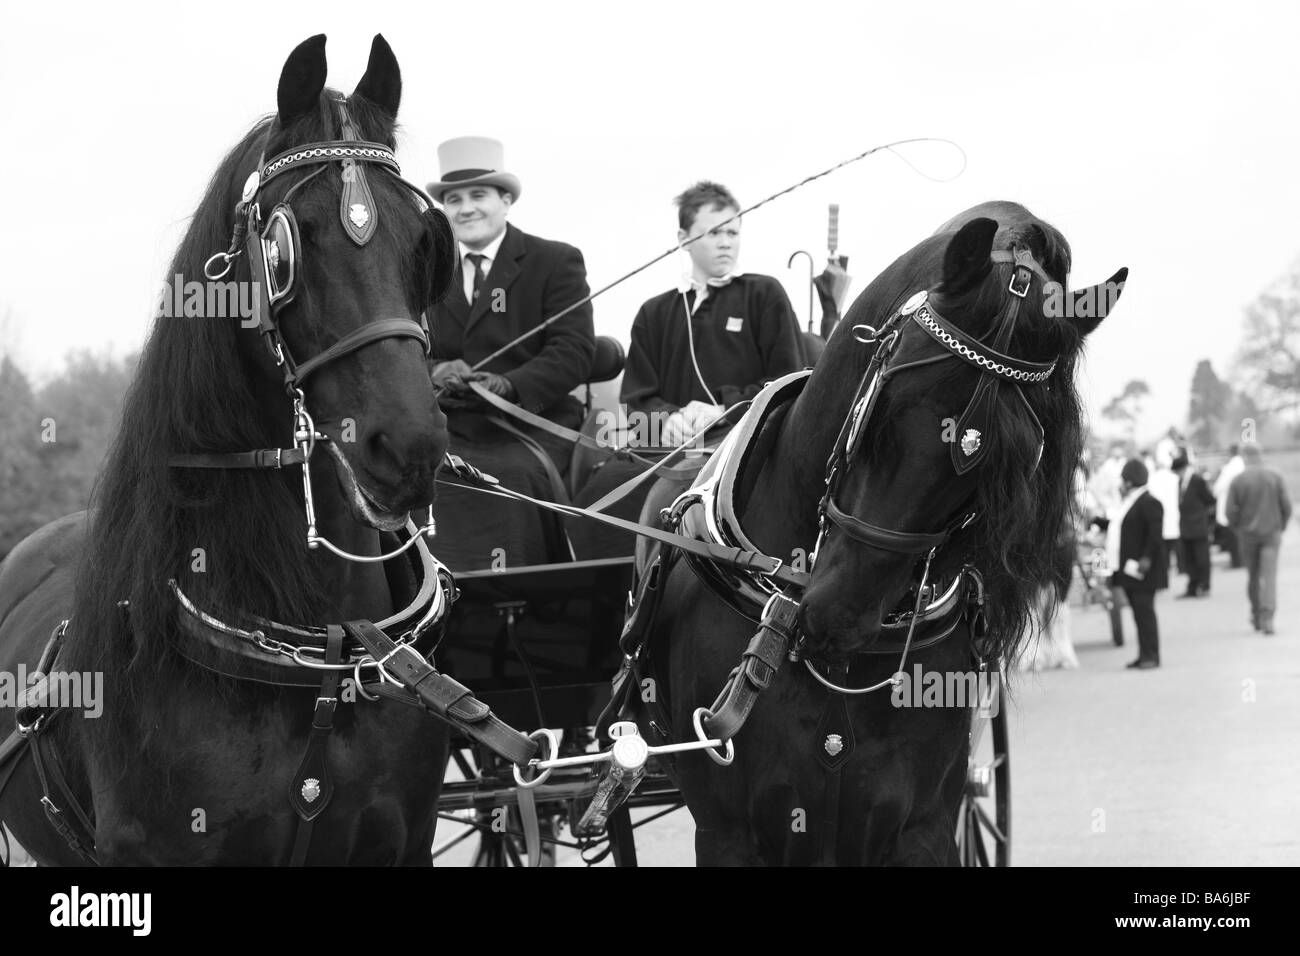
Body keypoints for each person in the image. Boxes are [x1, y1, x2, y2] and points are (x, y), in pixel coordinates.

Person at [424, 136, 596, 570]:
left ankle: (523, 594)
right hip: (452, 426)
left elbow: (573, 349)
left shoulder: (555, 261)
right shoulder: (424, 273)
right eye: (454, 199)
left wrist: (510, 385)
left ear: (505, 200)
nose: (466, 209)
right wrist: (434, 370)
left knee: (511, 478)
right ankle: (431, 599)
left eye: (478, 195)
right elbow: (406, 345)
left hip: (532, 425)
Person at [620, 181, 805, 447]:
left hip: (739, 446)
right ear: (684, 240)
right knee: (606, 484)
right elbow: (634, 402)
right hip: (665, 450)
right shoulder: (653, 313)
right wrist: (665, 422)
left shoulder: (764, 293)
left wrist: (723, 410)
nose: (726, 243)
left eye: (732, 233)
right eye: (715, 233)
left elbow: (788, 382)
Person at [1107, 458, 1167, 669]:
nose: (1121, 484)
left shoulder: (1149, 502)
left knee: (1145, 613)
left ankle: (1151, 656)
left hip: (1143, 570)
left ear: (1131, 481)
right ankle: (1144, 655)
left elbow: (1155, 535)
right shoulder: (1130, 501)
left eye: (1124, 480)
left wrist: (1147, 558)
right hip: (1131, 570)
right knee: (1138, 614)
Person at [1227, 442, 1292, 635]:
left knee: (1253, 576)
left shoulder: (1238, 480)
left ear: (1244, 456)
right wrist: (1281, 526)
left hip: (1248, 535)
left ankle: (1256, 615)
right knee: (1269, 577)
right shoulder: (1275, 476)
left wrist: (1237, 528)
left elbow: (1229, 511)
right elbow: (1287, 506)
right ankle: (1268, 617)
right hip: (1271, 533)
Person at [1172, 452, 1216, 597]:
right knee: (1189, 559)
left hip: (1198, 526)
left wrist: (1202, 516)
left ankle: (1204, 586)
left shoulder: (1197, 481)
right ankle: (1192, 586)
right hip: (1185, 527)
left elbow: (1210, 500)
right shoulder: (1180, 483)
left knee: (1202, 558)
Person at [1147, 445, 1182, 574]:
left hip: (1161, 514)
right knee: (1177, 543)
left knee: (1164, 547)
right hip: (1174, 513)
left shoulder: (1152, 478)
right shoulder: (1175, 477)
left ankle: (1165, 568)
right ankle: (1181, 567)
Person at [1214, 444, 1245, 567]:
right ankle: (1239, 560)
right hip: (1237, 504)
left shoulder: (1231, 467)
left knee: (1232, 538)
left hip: (1228, 504)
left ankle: (1237, 562)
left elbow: (1219, 487)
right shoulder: (1240, 464)